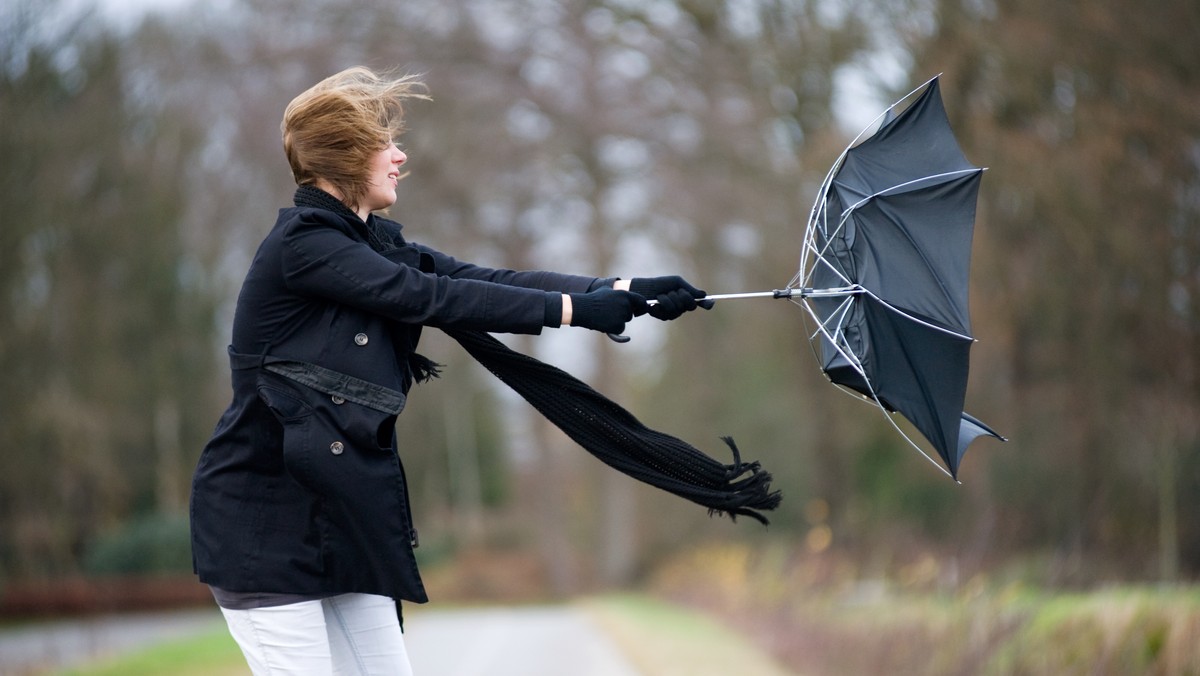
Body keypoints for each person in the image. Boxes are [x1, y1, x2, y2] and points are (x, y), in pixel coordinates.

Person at [189, 66, 710, 675]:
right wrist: (575, 312)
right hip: (264, 529)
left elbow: (475, 279)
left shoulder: (366, 243)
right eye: (385, 144)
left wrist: (619, 288)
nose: (400, 156)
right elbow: (428, 298)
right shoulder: (304, 246)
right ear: (346, 156)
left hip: (341, 520)